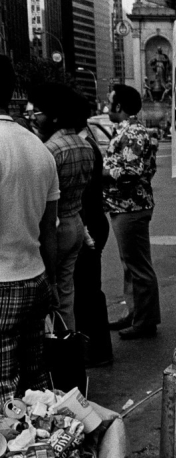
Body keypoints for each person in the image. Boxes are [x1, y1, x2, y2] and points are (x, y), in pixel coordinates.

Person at [0, 55, 58, 403]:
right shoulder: (38, 148)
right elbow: (48, 231)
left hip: (2, 284)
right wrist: (49, 284)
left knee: (4, 397)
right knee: (37, 393)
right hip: (34, 279)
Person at [28, 84, 95, 332]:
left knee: (47, 296)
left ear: (54, 116)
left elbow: (43, 200)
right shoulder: (84, 145)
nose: (35, 118)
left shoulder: (49, 150)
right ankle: (69, 350)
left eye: (38, 113)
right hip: (75, 223)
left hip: (53, 229)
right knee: (66, 295)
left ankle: (50, 357)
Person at [103, 84, 161, 340]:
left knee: (138, 267)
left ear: (119, 106)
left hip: (131, 207)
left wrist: (103, 172)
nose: (106, 106)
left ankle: (145, 321)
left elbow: (131, 172)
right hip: (126, 206)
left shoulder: (133, 134)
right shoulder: (127, 131)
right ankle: (136, 313)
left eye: (109, 102)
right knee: (130, 265)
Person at [76, 102, 114, 368]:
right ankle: (97, 349)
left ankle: (94, 351)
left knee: (86, 290)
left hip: (89, 225)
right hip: (94, 222)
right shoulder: (87, 142)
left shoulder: (82, 146)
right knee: (89, 289)